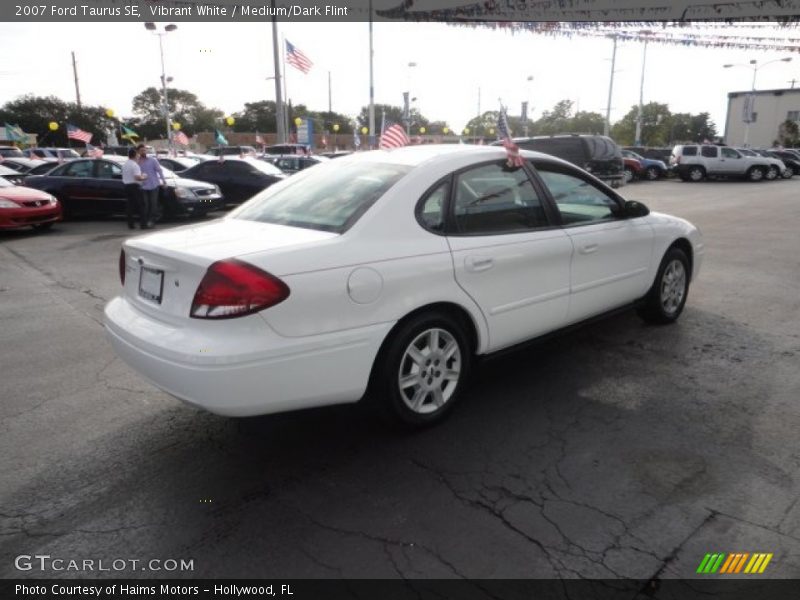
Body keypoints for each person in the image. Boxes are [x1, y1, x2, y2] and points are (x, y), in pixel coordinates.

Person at [136, 144, 167, 228]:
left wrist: (164, 181)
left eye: (144, 150)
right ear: (138, 152)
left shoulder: (152, 160)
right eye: (141, 150)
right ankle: (145, 221)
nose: (143, 152)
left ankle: (152, 221)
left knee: (153, 204)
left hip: (154, 185)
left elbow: (159, 171)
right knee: (145, 205)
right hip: (143, 187)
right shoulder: (137, 162)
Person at [122, 148, 147, 229]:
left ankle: (131, 224)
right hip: (135, 186)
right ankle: (143, 224)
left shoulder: (125, 165)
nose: (138, 156)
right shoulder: (135, 165)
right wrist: (144, 177)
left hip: (126, 186)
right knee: (141, 205)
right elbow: (137, 177)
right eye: (137, 154)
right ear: (135, 155)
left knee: (130, 206)